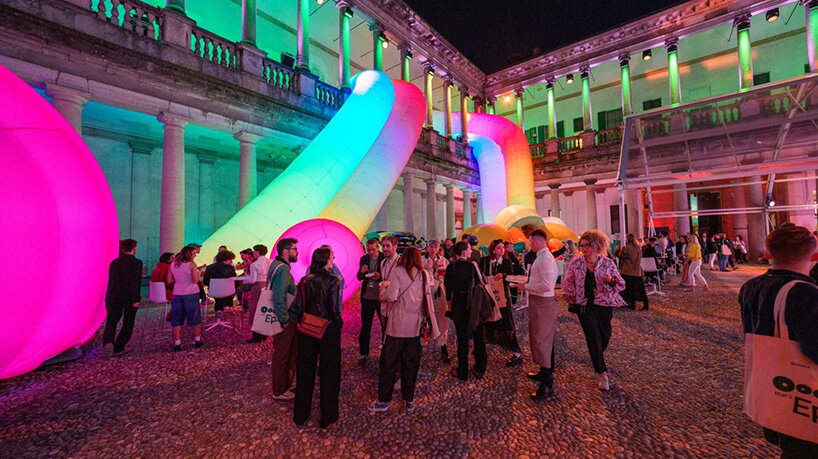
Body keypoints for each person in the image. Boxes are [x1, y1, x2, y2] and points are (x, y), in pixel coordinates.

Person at [739, 225, 818, 457]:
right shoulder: (805, 294)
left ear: (769, 254)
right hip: (805, 398)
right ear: (813, 255)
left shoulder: (749, 288)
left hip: (771, 390)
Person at [368, 247, 434, 413]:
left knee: (389, 363)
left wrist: (382, 290)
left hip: (397, 326)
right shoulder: (424, 274)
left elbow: (391, 296)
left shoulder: (398, 271)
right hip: (415, 326)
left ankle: (383, 400)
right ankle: (409, 399)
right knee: (411, 364)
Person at [562, 230, 626, 391]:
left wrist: (610, 281)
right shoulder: (576, 263)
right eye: (582, 245)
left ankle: (597, 354)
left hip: (604, 305)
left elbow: (620, 284)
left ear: (596, 245)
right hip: (585, 305)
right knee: (592, 337)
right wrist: (569, 293)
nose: (584, 248)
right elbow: (568, 280)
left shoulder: (607, 263)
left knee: (605, 336)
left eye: (587, 245)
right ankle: (602, 373)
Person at [289, 246, 343, 428]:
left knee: (305, 372)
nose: (333, 260)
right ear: (326, 260)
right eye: (332, 257)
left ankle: (301, 414)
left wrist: (297, 322)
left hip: (307, 329)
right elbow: (335, 309)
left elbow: (296, 307)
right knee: (330, 373)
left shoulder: (304, 280)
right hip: (327, 330)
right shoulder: (333, 280)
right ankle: (328, 415)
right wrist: (338, 324)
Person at [514, 230, 559, 400]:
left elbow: (546, 286)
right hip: (538, 303)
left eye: (530, 241)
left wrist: (525, 287)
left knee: (542, 341)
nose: (529, 244)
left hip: (544, 304)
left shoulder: (545, 258)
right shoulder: (541, 257)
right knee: (541, 339)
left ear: (536, 242)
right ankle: (543, 372)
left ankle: (547, 384)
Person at [444, 241, 485, 380]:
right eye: (468, 250)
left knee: (462, 338)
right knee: (478, 335)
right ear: (463, 252)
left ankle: (463, 371)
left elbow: (447, 287)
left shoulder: (451, 267)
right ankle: (480, 367)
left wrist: (449, 304)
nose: (470, 252)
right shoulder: (472, 266)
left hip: (458, 304)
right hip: (473, 305)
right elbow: (481, 283)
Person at [480, 240, 524, 367]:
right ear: (493, 250)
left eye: (503, 248)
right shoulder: (484, 261)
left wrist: (503, 275)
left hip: (502, 298)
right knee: (487, 322)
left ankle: (516, 353)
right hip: (488, 298)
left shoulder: (506, 261)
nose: (502, 250)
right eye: (499, 248)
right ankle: (482, 347)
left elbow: (510, 276)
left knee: (507, 324)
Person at [102, 239, 143, 358]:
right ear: (134, 249)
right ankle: (119, 346)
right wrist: (136, 299)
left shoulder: (114, 262)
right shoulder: (136, 263)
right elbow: (135, 282)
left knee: (111, 321)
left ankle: (108, 342)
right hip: (129, 297)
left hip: (113, 295)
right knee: (128, 322)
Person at [270, 238, 299, 402]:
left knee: (282, 353)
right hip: (285, 319)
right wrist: (284, 319)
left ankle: (283, 386)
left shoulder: (276, 265)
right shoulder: (283, 270)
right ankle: (280, 389)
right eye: (294, 249)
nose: (297, 252)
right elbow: (279, 295)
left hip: (282, 317)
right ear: (285, 251)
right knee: (283, 354)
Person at [167, 245, 203, 351]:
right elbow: (195, 280)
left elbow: (169, 280)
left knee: (176, 319)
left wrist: (179, 281)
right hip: (191, 293)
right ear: (189, 254)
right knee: (194, 317)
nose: (195, 255)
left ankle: (177, 342)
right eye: (194, 253)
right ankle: (197, 339)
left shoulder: (173, 265)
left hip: (177, 293)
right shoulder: (192, 264)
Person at [235, 244, 273, 343]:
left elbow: (253, 280)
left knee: (255, 310)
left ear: (257, 252)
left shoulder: (255, 264)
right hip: (268, 287)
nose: (253, 253)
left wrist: (244, 278)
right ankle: (265, 334)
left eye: (254, 251)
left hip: (258, 287)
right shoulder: (270, 262)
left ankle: (256, 336)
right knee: (265, 310)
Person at [357, 238, 384, 366]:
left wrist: (380, 277)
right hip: (367, 295)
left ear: (377, 247)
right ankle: (364, 353)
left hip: (380, 295)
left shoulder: (384, 258)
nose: (371, 252)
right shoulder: (364, 259)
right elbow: (359, 277)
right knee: (365, 325)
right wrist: (362, 272)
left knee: (385, 324)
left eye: (373, 249)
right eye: (369, 250)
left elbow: (390, 277)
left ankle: (386, 349)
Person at [423, 239, 450, 363]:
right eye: (430, 246)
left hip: (440, 293)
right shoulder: (422, 259)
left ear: (439, 248)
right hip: (426, 293)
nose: (433, 249)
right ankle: (421, 343)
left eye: (435, 246)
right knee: (424, 318)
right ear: (428, 247)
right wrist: (428, 268)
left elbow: (446, 276)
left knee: (442, 318)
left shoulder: (444, 261)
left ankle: (443, 345)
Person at [617, 234, 648, 311]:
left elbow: (623, 257)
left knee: (629, 288)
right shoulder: (639, 248)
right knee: (640, 288)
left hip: (627, 270)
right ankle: (645, 303)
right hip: (637, 271)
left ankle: (631, 304)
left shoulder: (626, 248)